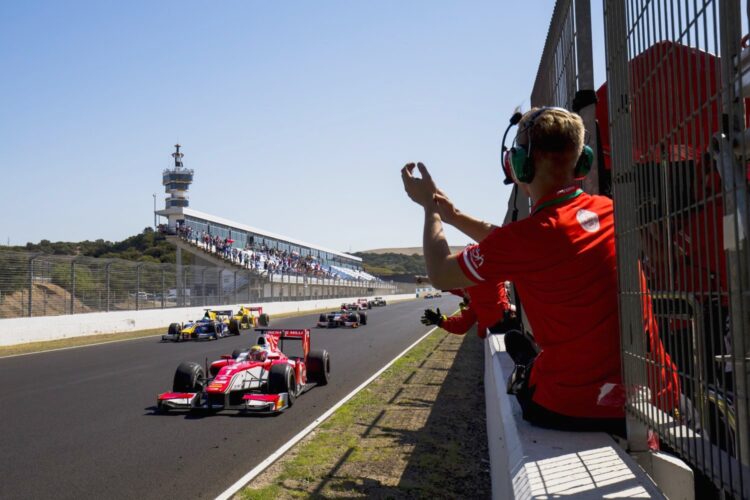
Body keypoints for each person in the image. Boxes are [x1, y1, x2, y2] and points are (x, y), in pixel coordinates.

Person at [401, 107, 679, 436]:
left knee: (526, 382)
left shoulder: (528, 238)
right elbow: (518, 241)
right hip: (657, 394)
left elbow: (441, 274)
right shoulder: (611, 210)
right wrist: (455, 215)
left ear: (519, 163)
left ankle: (530, 366)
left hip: (581, 406)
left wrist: (430, 212)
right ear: (583, 159)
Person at [421, 281, 516, 338]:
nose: (462, 291)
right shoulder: (479, 291)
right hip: (515, 317)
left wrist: (441, 321)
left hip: (507, 326)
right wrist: (442, 320)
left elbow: (462, 326)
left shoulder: (476, 301)